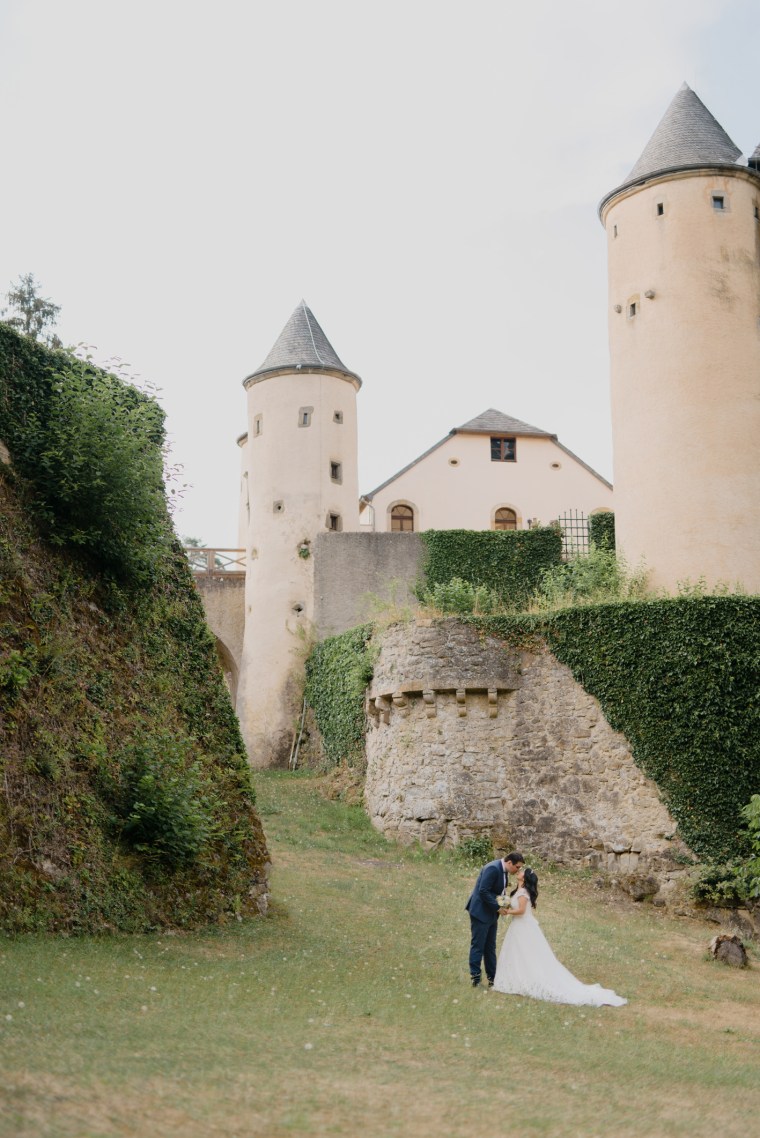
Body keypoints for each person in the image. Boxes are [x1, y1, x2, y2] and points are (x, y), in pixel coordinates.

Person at [493, 867, 627, 1006]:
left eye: (522, 872)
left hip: (522, 927)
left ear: (525, 878)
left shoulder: (523, 892)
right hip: (519, 927)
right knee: (520, 953)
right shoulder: (519, 890)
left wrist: (507, 911)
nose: (519, 872)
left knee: (527, 954)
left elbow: (521, 911)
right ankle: (518, 978)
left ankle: (527, 979)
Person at [465, 851, 524, 988]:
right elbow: (483, 891)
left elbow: (497, 891)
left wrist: (505, 904)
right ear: (510, 863)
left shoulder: (504, 871)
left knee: (490, 948)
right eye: (517, 867)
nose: (518, 870)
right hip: (480, 912)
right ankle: (476, 979)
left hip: (491, 914)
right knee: (478, 946)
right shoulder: (493, 868)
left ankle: (493, 979)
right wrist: (498, 908)